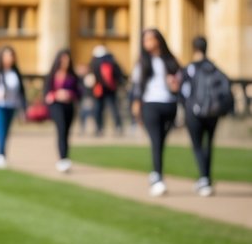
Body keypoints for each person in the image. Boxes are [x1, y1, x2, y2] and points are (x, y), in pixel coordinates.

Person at [130, 28, 182, 197]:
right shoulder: (142, 62)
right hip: (150, 104)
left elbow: (180, 83)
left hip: (169, 104)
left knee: (161, 141)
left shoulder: (170, 60)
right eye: (145, 40)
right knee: (156, 140)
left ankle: (155, 173)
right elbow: (137, 87)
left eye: (151, 39)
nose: (148, 43)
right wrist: (136, 106)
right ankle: (158, 176)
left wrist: (175, 85)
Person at [180, 36, 222, 197]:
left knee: (198, 145)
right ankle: (207, 177)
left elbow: (183, 91)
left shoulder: (190, 68)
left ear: (193, 48)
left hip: (194, 112)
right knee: (209, 144)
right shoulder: (214, 67)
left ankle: (204, 179)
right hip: (213, 112)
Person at [43, 48, 82, 172]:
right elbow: (46, 93)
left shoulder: (73, 76)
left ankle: (65, 157)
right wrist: (56, 95)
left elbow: (79, 93)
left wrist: (69, 94)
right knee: (61, 129)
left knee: (66, 132)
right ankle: (62, 158)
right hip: (56, 106)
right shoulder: (52, 75)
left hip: (69, 106)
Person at [85, 44, 125, 136]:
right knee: (114, 109)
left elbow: (91, 77)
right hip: (111, 89)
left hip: (99, 90)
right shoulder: (112, 62)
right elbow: (119, 75)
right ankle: (118, 127)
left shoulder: (94, 63)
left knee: (98, 110)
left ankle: (99, 128)